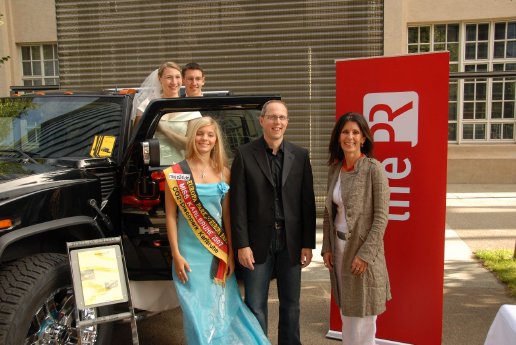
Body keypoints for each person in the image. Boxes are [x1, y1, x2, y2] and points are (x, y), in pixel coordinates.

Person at [164, 117, 270, 345]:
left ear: (216, 140)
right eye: (200, 134)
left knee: (223, 308)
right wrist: (176, 254)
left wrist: (230, 253)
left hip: (216, 253)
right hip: (187, 255)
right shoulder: (175, 173)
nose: (205, 139)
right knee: (196, 313)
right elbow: (171, 216)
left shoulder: (224, 173)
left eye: (210, 135)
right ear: (192, 137)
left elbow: (228, 217)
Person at [230, 100, 316, 345]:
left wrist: (307, 244)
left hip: (291, 241)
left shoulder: (300, 155)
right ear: (262, 120)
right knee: (255, 305)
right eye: (272, 117)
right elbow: (238, 204)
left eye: (282, 118)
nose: (277, 122)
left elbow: (307, 204)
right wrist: (242, 244)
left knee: (291, 305)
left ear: (287, 122)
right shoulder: (245, 155)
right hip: (257, 243)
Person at [321, 112, 391, 345]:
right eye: (345, 132)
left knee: (363, 316)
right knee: (347, 312)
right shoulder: (335, 170)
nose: (349, 137)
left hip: (361, 252)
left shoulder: (374, 169)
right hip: (339, 250)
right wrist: (327, 248)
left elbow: (381, 218)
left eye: (355, 132)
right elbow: (329, 213)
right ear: (338, 137)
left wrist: (365, 255)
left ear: (363, 138)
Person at [132, 61, 201, 165]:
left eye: (177, 77)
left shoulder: (190, 108)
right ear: (160, 79)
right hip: (151, 168)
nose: (174, 82)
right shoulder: (146, 106)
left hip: (181, 169)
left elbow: (192, 144)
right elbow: (136, 142)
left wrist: (162, 129)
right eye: (169, 77)